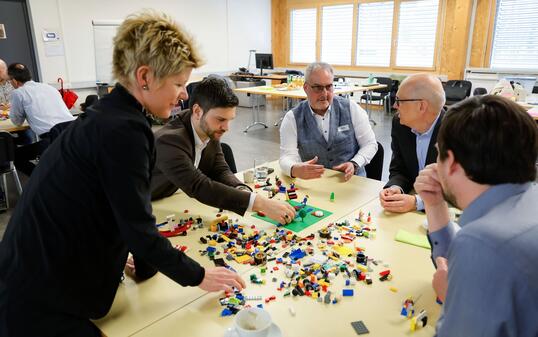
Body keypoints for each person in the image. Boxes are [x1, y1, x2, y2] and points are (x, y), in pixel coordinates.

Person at [0, 11, 245, 337]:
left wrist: (135, 260)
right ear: (145, 76)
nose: (183, 94)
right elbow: (139, 230)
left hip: (30, 273)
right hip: (37, 297)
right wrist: (201, 276)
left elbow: (117, 208)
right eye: (178, 83)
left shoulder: (107, 113)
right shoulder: (124, 130)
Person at [414, 95, 538, 337]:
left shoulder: (484, 242)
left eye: (438, 155)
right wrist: (435, 204)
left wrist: (450, 296)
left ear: (450, 163)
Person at [151, 77, 296, 225]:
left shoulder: (207, 128)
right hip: (147, 207)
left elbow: (220, 170)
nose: (227, 128)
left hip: (172, 200)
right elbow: (198, 186)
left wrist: (242, 190)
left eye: (229, 120)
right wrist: (261, 203)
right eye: (221, 120)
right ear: (197, 111)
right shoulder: (169, 141)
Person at [279, 62, 377, 181]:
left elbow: (370, 144)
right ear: (306, 88)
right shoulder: (292, 118)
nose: (324, 94)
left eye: (328, 86)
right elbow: (286, 156)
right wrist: (294, 168)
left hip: (352, 182)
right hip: (315, 184)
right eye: (318, 87)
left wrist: (354, 163)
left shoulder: (351, 108)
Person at [379, 74, 445, 213]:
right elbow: (399, 168)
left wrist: (417, 202)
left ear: (421, 106)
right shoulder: (400, 124)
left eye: (399, 100)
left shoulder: (458, 130)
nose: (394, 105)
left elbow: (458, 188)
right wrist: (395, 187)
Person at [7, 62, 75, 176]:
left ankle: (42, 180)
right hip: (73, 134)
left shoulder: (19, 93)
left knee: (16, 156)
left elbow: (17, 122)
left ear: (14, 81)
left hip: (53, 140)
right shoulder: (49, 87)